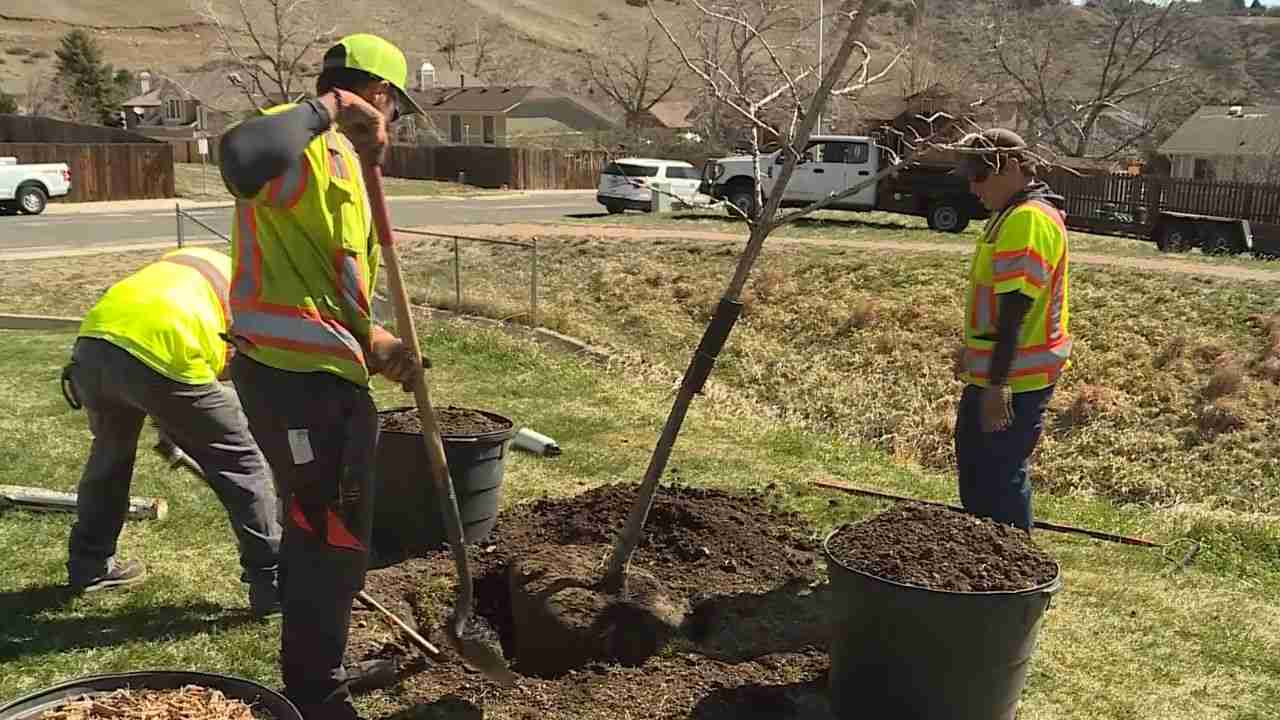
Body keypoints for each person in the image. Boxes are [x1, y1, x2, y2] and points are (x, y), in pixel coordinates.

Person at [217, 33, 423, 720]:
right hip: (293, 381)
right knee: (325, 534)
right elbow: (240, 158)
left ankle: (323, 662)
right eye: (398, 110)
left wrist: (378, 342)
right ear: (382, 96)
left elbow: (323, 286)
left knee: (336, 532)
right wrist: (329, 109)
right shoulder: (303, 137)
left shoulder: (347, 168)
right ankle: (316, 693)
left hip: (322, 374)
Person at [61, 247, 282, 617]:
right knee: (242, 462)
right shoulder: (254, 293)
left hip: (93, 344)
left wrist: (172, 418)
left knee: (109, 457)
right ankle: (274, 583)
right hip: (164, 344)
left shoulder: (191, 260)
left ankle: (90, 566)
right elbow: (237, 369)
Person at [952, 128, 1071, 532]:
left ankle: (1014, 578)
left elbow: (1015, 311)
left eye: (979, 174)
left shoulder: (1027, 220)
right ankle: (989, 572)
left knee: (998, 485)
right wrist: (974, 354)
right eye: (967, 174)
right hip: (998, 373)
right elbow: (994, 308)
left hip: (1012, 383)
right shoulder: (1011, 214)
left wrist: (996, 385)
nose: (972, 186)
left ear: (1012, 167)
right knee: (982, 480)